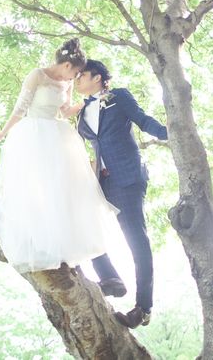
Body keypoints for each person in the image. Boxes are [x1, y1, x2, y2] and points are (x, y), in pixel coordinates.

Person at [0, 40, 120, 273]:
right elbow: (20, 108)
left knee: (63, 190)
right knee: (35, 189)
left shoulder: (66, 83)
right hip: (33, 134)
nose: (76, 78)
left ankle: (65, 247)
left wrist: (88, 102)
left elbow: (65, 112)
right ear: (67, 65)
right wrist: (2, 134)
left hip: (58, 135)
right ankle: (38, 243)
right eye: (76, 73)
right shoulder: (37, 76)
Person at [75, 60, 168, 329]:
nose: (77, 79)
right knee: (81, 224)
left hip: (127, 177)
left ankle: (143, 308)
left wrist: (172, 132)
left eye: (82, 75)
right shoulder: (82, 112)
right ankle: (110, 278)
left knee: (136, 241)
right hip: (100, 182)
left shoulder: (119, 97)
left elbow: (143, 120)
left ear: (98, 77)